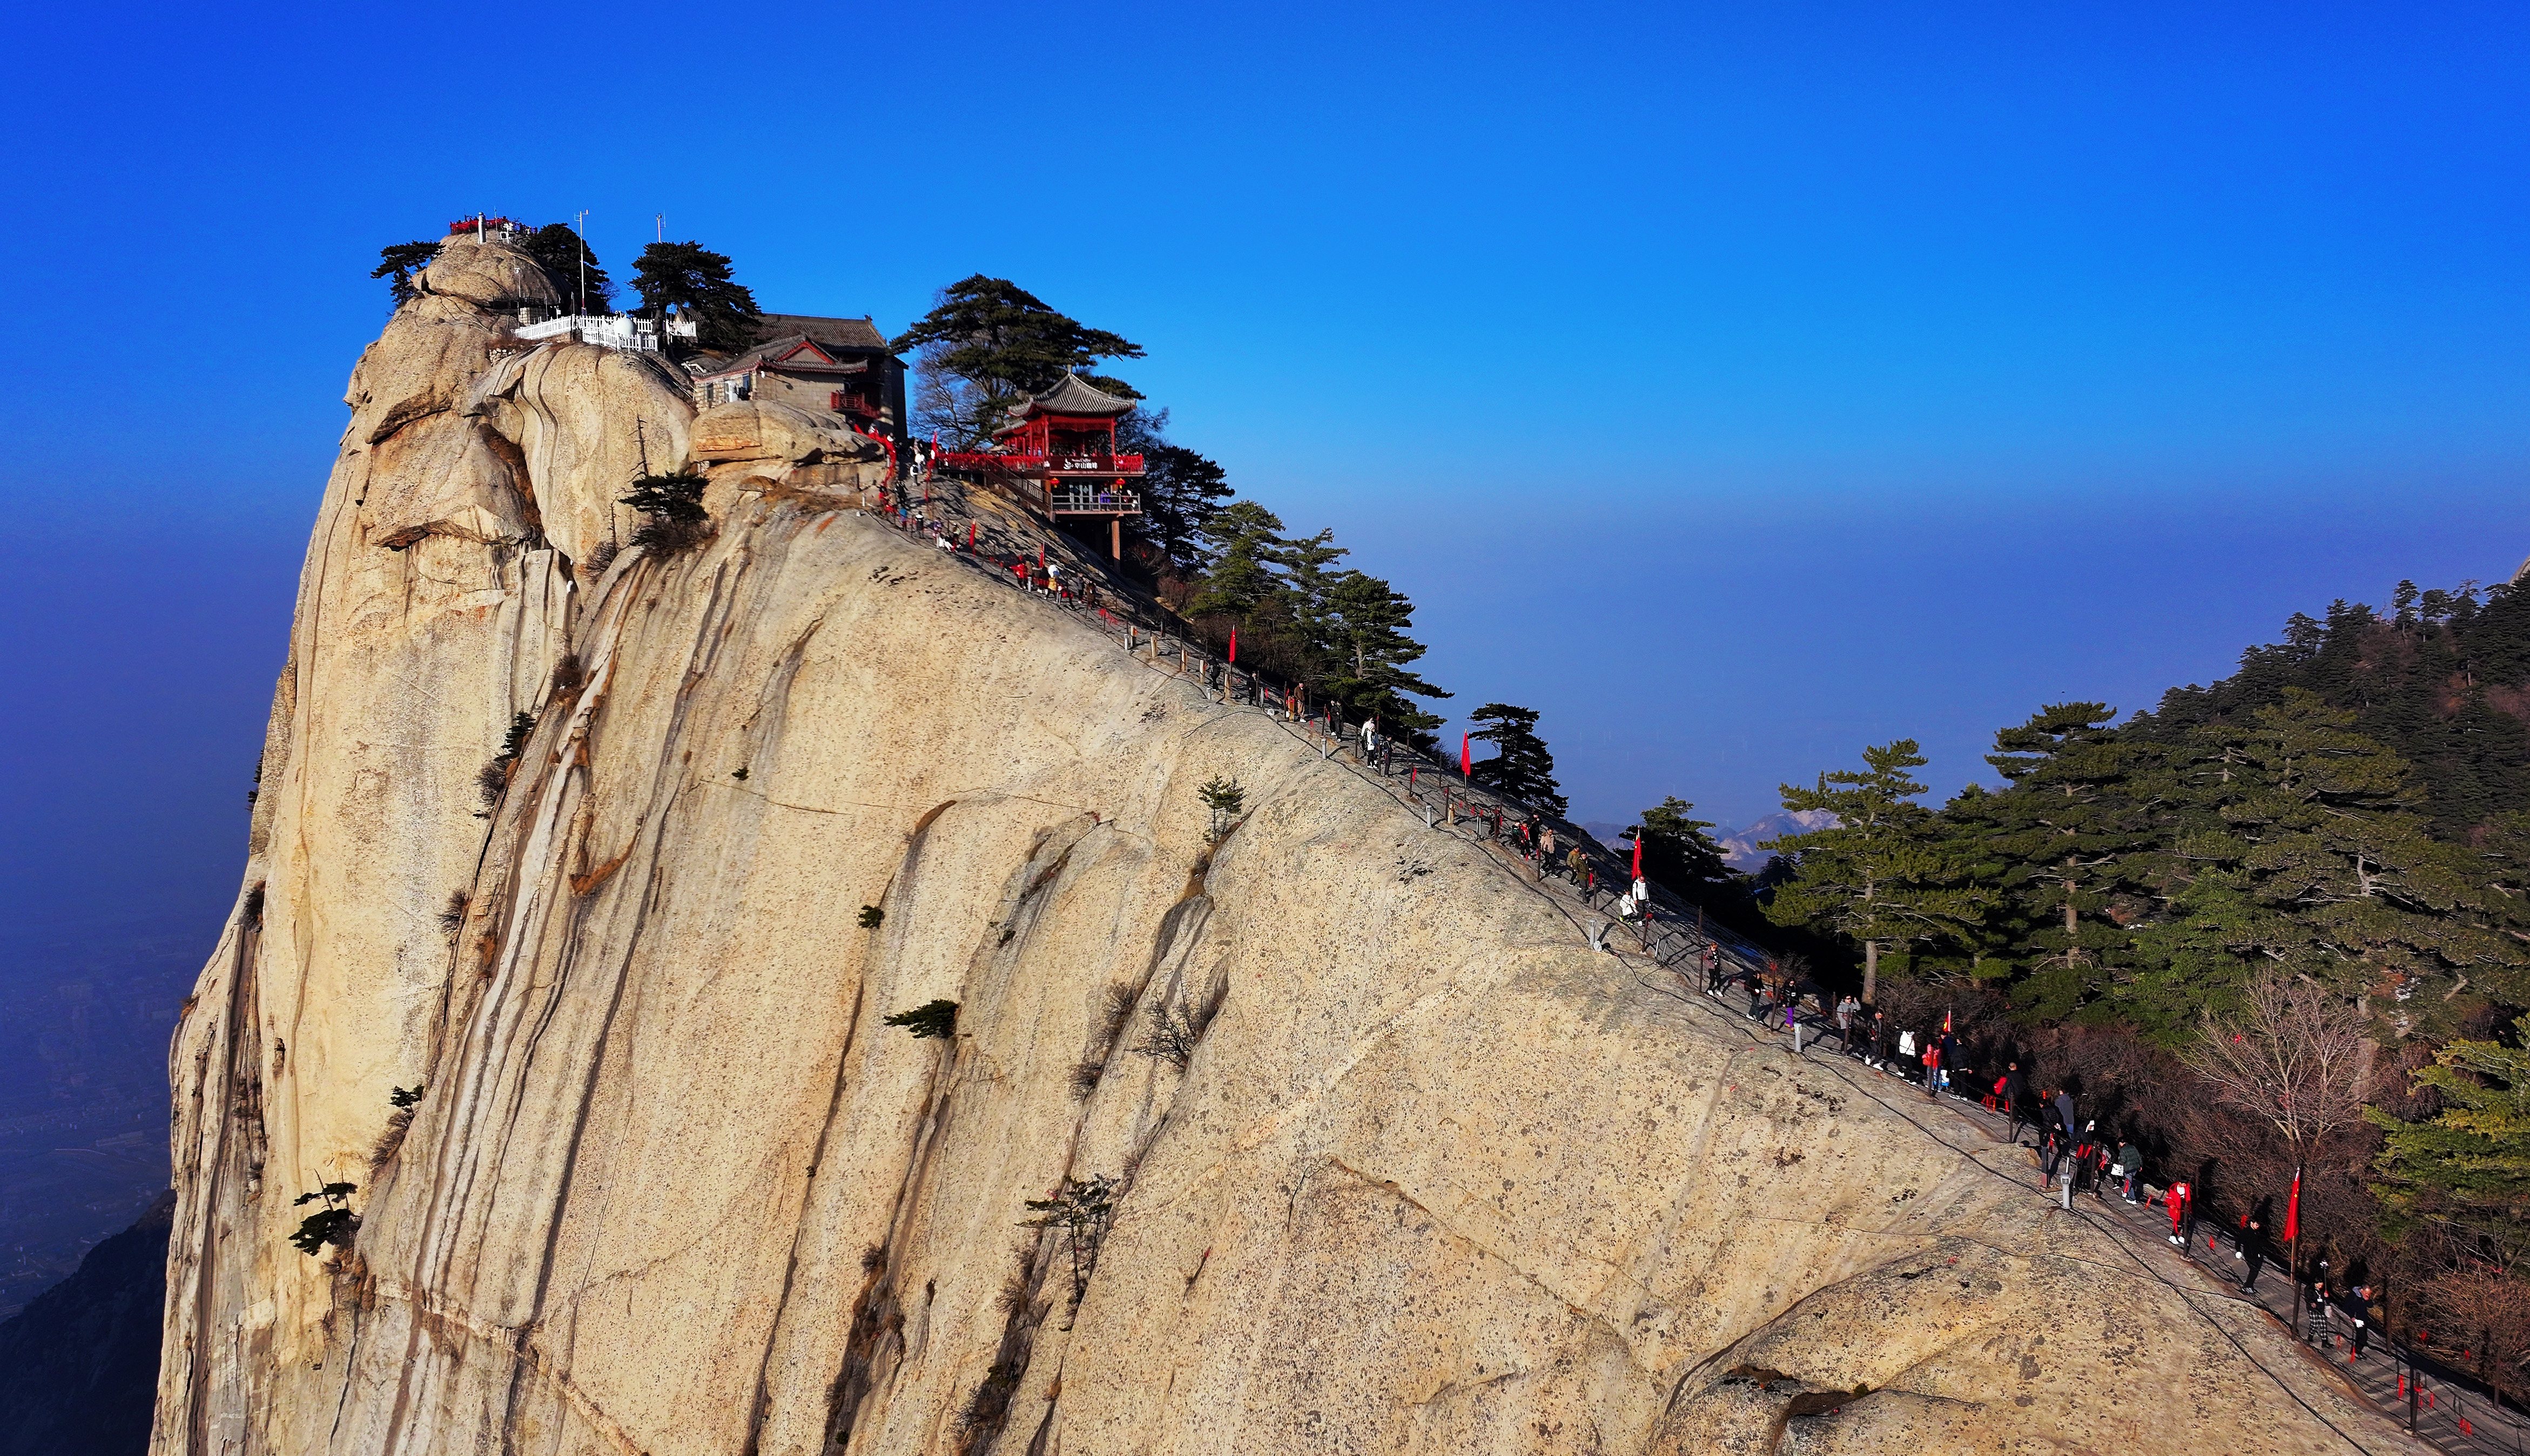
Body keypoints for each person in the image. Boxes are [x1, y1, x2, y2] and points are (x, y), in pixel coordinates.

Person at [2239, 1216, 2269, 1293]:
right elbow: (2238, 1241)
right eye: (2256, 1225)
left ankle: (2249, 1286)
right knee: (2254, 1270)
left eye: (2258, 1225)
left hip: (2256, 1255)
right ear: (2252, 1223)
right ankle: (2247, 1287)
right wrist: (2238, 1251)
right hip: (2249, 1254)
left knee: (2255, 1270)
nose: (2257, 1227)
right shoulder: (2246, 1232)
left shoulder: (2257, 1232)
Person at [2115, 1137, 2143, 1203]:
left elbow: (2123, 1160)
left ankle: (2132, 1198)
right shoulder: (2133, 1147)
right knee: (2130, 1181)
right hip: (2136, 1167)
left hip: (2129, 1168)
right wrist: (2141, 1165)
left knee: (2129, 1183)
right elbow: (2139, 1157)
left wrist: (2119, 1162)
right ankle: (2127, 1193)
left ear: (2121, 1143)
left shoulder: (2123, 1150)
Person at [2165, 1178, 2191, 1245]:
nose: (2185, 1185)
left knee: (2187, 1223)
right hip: (2177, 1208)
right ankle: (2173, 1236)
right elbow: (2168, 1200)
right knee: (2179, 1222)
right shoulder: (2174, 1190)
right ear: (2180, 1183)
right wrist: (2172, 1204)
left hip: (2185, 1207)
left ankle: (2183, 1237)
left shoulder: (2186, 1188)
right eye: (2184, 1184)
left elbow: (2188, 1198)